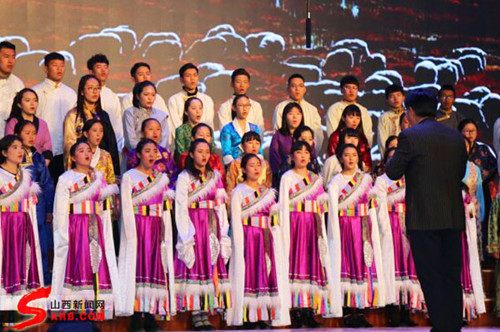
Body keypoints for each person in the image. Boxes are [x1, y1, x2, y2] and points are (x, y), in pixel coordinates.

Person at [386, 89, 468, 332]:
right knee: (451, 275)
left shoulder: (410, 136)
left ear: (410, 112)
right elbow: (461, 170)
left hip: (424, 217)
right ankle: (452, 326)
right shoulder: (455, 136)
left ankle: (443, 327)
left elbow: (393, 172)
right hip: (452, 216)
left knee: (431, 275)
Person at [51, 141, 120, 320]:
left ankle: (94, 308)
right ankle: (74, 308)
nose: (87, 153)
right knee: (78, 263)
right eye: (81, 151)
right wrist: (63, 235)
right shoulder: (66, 178)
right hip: (76, 228)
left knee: (95, 263)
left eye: (89, 150)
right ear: (73, 157)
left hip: (95, 226)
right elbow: (60, 209)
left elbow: (104, 207)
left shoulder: (99, 177)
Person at [278, 141, 339, 328]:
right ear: (291, 157)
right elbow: (282, 205)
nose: (303, 155)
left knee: (312, 264)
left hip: (312, 226)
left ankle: (310, 310)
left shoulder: (315, 178)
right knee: (297, 263)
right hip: (295, 226)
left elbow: (322, 205)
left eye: (306, 152)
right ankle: (296, 310)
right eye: (298, 151)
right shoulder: (287, 177)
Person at [117, 138, 176, 331]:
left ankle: (151, 314)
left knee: (154, 268)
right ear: (139, 154)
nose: (151, 155)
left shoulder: (161, 178)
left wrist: (165, 231)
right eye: (147, 151)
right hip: (137, 227)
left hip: (155, 228)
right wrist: (130, 233)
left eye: (154, 151)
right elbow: (126, 206)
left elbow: (165, 207)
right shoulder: (130, 177)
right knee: (137, 268)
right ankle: (135, 316)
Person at [174, 139, 231, 330]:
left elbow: (221, 206)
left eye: (207, 151)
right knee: (197, 265)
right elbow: (181, 207)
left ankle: (207, 310)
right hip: (195, 224)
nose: (204, 155)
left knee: (211, 264)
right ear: (191, 154)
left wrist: (223, 231)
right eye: (199, 151)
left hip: (212, 224)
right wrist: (186, 234)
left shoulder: (215, 176)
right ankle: (196, 312)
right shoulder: (184, 177)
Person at [327, 143, 386, 328]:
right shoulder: (335, 181)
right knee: (347, 263)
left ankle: (360, 310)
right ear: (340, 158)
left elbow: (371, 203)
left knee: (362, 263)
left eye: (354, 155)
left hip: (362, 227)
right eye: (347, 155)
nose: (351, 158)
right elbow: (333, 210)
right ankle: (347, 311)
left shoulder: (366, 179)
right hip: (345, 226)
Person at [226, 153, 281, 328]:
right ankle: (247, 315)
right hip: (248, 237)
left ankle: (263, 314)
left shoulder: (268, 192)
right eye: (251, 165)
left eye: (258, 165)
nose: (256, 168)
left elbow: (273, 219)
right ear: (243, 169)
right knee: (249, 273)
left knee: (264, 272)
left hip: (264, 237)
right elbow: (235, 220)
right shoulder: (239, 191)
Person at [372, 147, 424, 327]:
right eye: (391, 157)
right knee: (391, 267)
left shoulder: (410, 178)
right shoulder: (381, 181)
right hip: (389, 227)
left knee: (408, 268)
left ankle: (405, 311)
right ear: (386, 161)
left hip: (408, 224)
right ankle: (391, 311)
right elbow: (378, 205)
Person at [0, 135, 43, 324]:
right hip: (4, 224)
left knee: (20, 262)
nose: (20, 151)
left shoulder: (25, 175)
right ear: (4, 152)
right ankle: (2, 311)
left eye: (21, 148)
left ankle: (16, 309)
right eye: (14, 147)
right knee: (4, 263)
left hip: (22, 224)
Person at [16, 121, 54, 286]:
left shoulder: (38, 157)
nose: (31, 137)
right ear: (18, 135)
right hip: (20, 209)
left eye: (34, 133)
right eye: (27, 133)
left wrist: (49, 209)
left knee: (41, 247)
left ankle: (42, 284)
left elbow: (47, 184)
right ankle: (20, 284)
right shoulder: (14, 157)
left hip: (39, 208)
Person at [33, 52, 77, 183]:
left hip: (65, 151)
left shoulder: (70, 93)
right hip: (42, 152)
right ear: (46, 69)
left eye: (62, 66)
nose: (59, 69)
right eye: (54, 65)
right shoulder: (36, 92)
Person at [63, 74, 119, 175]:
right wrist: (70, 173)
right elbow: (69, 145)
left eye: (97, 88)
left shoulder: (103, 115)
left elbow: (111, 144)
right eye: (90, 88)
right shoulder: (73, 115)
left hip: (103, 166)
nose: (95, 92)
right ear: (82, 91)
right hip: (81, 166)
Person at [461, 145, 486, 322]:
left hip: (470, 219)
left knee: (470, 262)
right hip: (448, 220)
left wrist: (479, 215)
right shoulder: (445, 166)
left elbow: (479, 195)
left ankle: (468, 306)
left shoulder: (473, 168)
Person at [121, 62, 174, 144]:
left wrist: (158, 152)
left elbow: (165, 135)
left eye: (147, 74)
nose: (145, 77)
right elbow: (130, 138)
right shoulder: (129, 108)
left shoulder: (160, 106)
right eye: (141, 74)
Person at [273, 73, 323, 152]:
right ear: (288, 89)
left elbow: (318, 134)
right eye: (293, 86)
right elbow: (277, 131)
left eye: (300, 86)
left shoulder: (312, 109)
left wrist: (310, 151)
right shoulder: (280, 107)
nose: (297, 89)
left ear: (305, 89)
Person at [459, 118, 497, 222]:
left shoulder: (483, 149)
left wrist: (478, 178)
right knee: (468, 221)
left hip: (482, 189)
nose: (470, 134)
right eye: (467, 131)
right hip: (464, 193)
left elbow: (494, 167)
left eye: (473, 131)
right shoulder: (457, 149)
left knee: (482, 219)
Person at [87, 53, 124, 152]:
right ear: (91, 71)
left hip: (109, 146)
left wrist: (118, 148)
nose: (103, 70)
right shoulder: (85, 95)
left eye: (106, 67)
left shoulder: (113, 96)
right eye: (99, 67)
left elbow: (117, 126)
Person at [5, 88, 52, 163]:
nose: (32, 104)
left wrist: (42, 167)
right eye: (28, 100)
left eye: (35, 100)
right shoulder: (13, 122)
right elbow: (9, 145)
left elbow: (47, 149)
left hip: (39, 164)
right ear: (19, 104)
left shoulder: (43, 124)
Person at [325, 75, 373, 146]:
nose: (351, 91)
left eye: (354, 88)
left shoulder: (363, 110)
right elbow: (332, 134)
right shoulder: (334, 109)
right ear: (341, 90)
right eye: (348, 87)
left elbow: (368, 134)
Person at [127, 118, 177, 183]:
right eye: (150, 129)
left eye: (158, 129)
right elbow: (133, 176)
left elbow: (173, 173)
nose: (155, 132)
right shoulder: (135, 153)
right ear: (142, 133)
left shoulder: (165, 152)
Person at [123, 80, 170, 150]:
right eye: (146, 94)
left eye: (153, 95)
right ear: (138, 96)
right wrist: (144, 152)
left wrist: (156, 153)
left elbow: (164, 139)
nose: (150, 98)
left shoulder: (161, 115)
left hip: (158, 155)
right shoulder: (130, 113)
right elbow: (130, 140)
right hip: (136, 154)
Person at [168, 63, 215, 129]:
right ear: (181, 79)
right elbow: (174, 126)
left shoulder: (207, 100)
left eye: (195, 75)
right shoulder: (174, 100)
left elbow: (209, 124)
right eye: (188, 76)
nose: (192, 79)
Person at [327, 104, 372, 171]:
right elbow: (333, 156)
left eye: (358, 118)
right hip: (339, 171)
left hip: (359, 173)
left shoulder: (362, 137)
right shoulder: (336, 136)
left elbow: (367, 158)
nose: (355, 121)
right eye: (351, 117)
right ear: (343, 118)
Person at [220, 94, 262, 166]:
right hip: (234, 167)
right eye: (241, 106)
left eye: (247, 105)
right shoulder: (227, 129)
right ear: (234, 107)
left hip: (253, 166)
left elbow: (259, 151)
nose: (244, 109)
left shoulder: (254, 128)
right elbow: (226, 153)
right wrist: (237, 167)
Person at [269, 102, 304, 188]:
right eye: (291, 113)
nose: (295, 117)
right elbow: (274, 159)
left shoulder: (305, 134)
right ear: (285, 117)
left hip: (304, 178)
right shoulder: (278, 135)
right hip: (283, 179)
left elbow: (312, 155)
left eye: (298, 114)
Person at [0, 41, 24, 136]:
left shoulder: (18, 84)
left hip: (10, 142)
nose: (10, 61)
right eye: (6, 56)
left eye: (13, 57)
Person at [82, 119, 116, 185]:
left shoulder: (106, 155)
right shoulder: (78, 154)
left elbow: (111, 180)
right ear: (86, 134)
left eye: (101, 131)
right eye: (94, 131)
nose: (98, 134)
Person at [174, 97, 205, 162]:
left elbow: (212, 151)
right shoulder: (181, 130)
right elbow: (181, 154)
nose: (198, 111)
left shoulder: (206, 129)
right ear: (186, 112)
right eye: (193, 108)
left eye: (200, 108)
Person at [377, 84, 405, 154]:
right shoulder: (384, 117)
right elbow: (382, 140)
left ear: (403, 97)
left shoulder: (409, 115)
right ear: (387, 100)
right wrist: (386, 157)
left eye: (398, 95)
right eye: (392, 96)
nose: (396, 99)